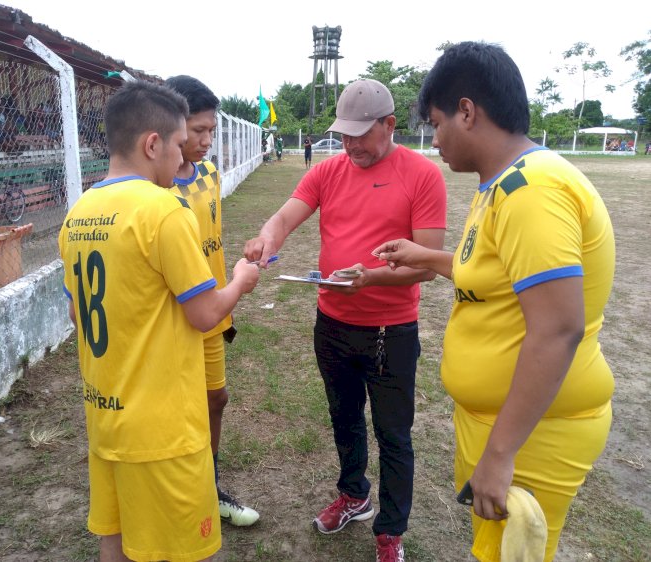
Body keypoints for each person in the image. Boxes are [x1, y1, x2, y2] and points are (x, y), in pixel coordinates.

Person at [374, 42, 615, 562]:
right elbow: (492, 274)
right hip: (503, 419)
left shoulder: (533, 190)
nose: (433, 139)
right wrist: (424, 256)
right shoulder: (499, 186)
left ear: (467, 111)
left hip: (535, 431)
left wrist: (501, 454)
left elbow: (558, 329)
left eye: (436, 123)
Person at [244, 79, 447, 562]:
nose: (350, 144)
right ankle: (354, 495)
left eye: (360, 134)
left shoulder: (422, 175)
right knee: (344, 418)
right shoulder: (329, 171)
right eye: (344, 134)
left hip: (389, 331)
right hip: (332, 322)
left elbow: (430, 264)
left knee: (393, 434)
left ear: (390, 125)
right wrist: (265, 240)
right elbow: (284, 217)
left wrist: (371, 278)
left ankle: (390, 531)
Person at [58, 80, 260, 562]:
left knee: (117, 542)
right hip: (164, 428)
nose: (182, 155)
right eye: (176, 145)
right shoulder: (162, 210)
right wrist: (241, 280)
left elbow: (76, 313)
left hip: (106, 421)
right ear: (153, 144)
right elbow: (207, 311)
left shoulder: (79, 213)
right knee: (191, 549)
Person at [166, 74, 260, 527]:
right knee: (177, 407)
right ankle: (180, 497)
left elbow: (209, 240)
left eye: (211, 130)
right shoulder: (153, 188)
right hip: (174, 318)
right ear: (172, 128)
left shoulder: (209, 172)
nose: (206, 140)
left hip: (213, 306)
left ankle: (210, 488)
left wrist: (232, 280)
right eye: (197, 131)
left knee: (216, 398)